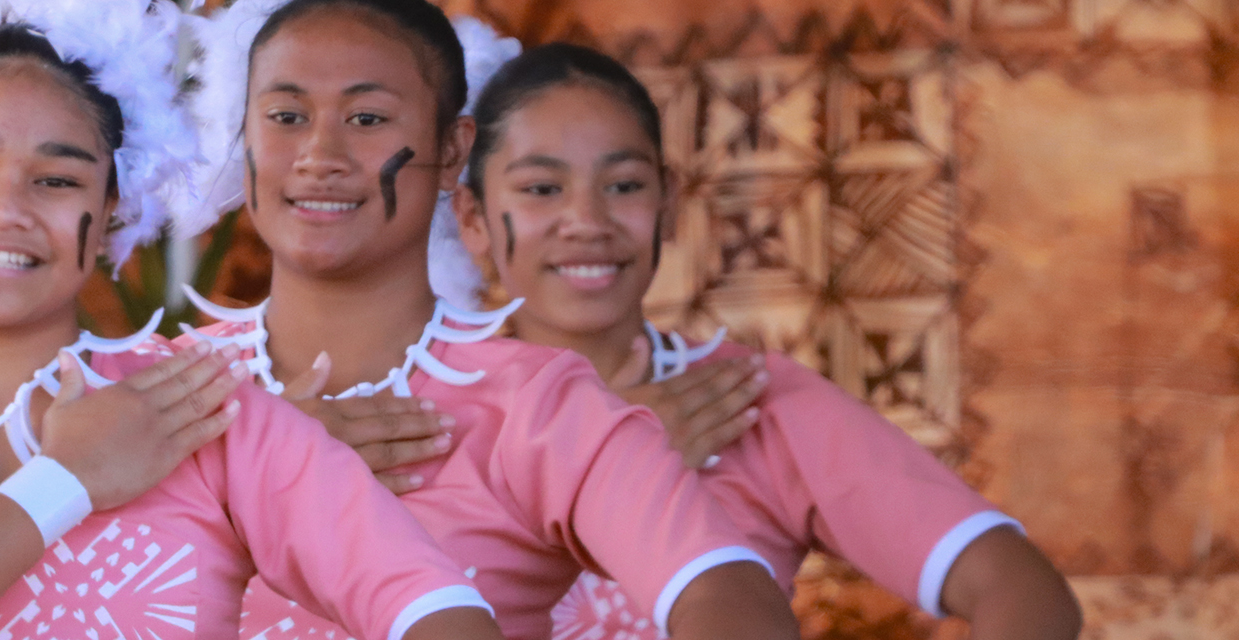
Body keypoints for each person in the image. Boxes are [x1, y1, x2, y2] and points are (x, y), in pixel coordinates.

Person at [0, 3, 507, 639]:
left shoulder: (205, 414)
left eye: (56, 179)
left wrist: (282, 450)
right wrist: (66, 480)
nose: (3, 208)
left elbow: (436, 610)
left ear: (110, 209)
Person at [175, 1, 800, 639]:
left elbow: (731, 597)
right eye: (286, 117)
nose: (319, 155)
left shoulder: (538, 408)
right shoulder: (154, 397)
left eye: (367, 118)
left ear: (452, 151)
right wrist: (242, 466)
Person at [443, 42, 1084, 640]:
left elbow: (1021, 590)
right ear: (472, 218)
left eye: (624, 185)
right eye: (542, 189)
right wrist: (608, 461)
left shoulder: (750, 403)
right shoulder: (423, 411)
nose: (587, 221)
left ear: (669, 201)